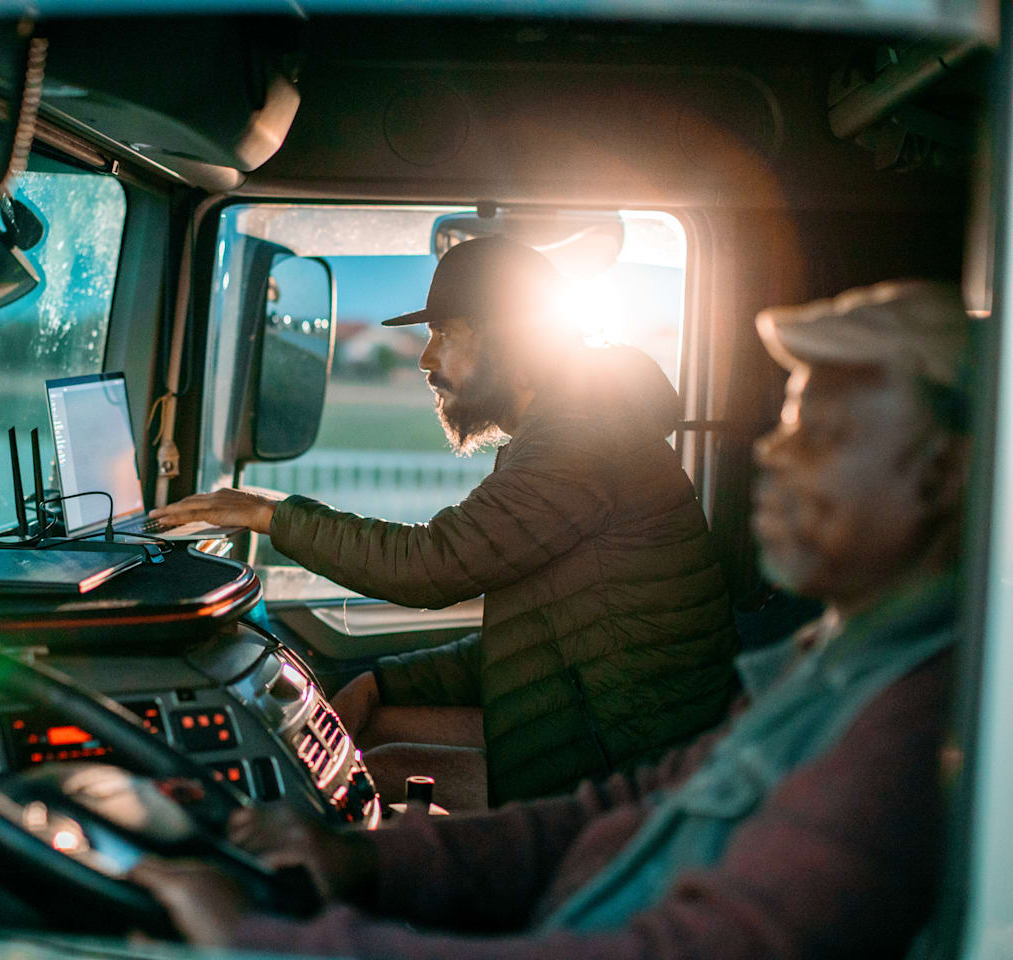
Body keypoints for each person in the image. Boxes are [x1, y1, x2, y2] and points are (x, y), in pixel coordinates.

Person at [133, 278, 974, 957]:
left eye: (820, 434)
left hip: (607, 736)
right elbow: (574, 728)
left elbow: (434, 565)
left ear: (948, 476)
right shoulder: (823, 664)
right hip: (603, 771)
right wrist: (360, 845)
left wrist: (264, 940)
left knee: (373, 773)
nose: (770, 456)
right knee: (369, 764)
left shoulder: (900, 733)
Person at [153, 236, 738, 807]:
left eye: (443, 334)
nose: (426, 358)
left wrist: (268, 515)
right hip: (611, 732)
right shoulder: (573, 431)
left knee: (372, 770)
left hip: (634, 772)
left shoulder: (580, 440)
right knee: (373, 735)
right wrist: (382, 681)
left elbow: (430, 564)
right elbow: (525, 649)